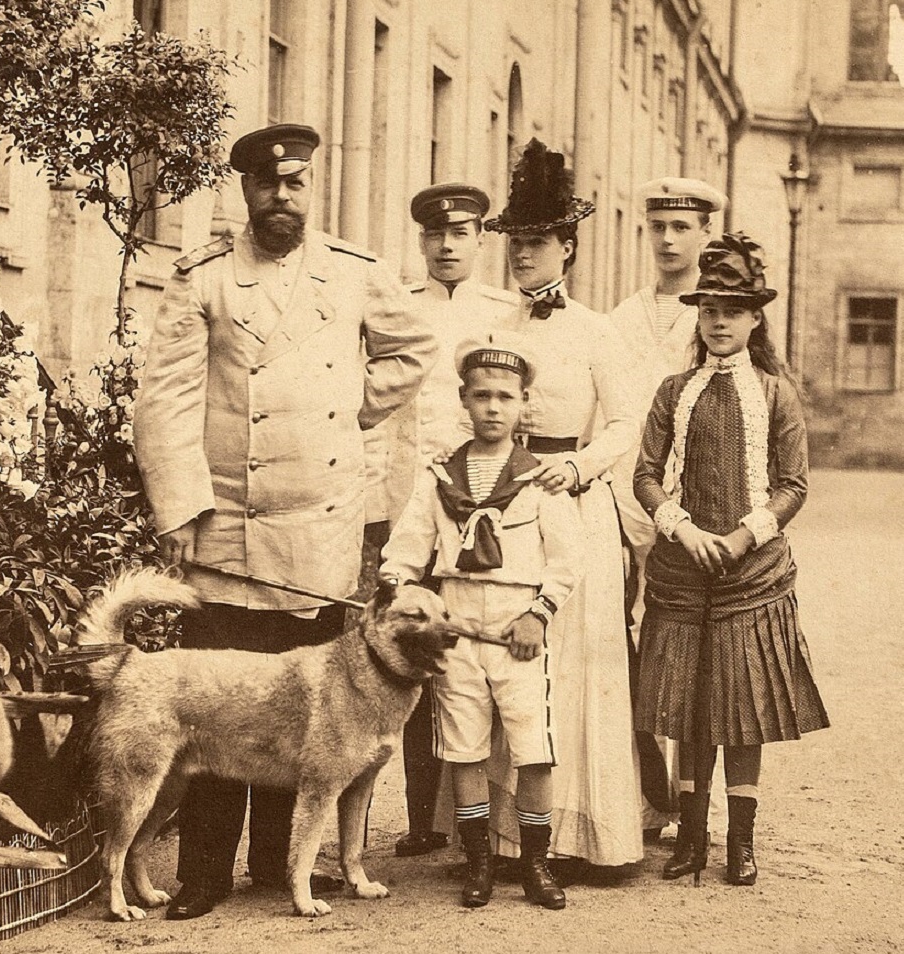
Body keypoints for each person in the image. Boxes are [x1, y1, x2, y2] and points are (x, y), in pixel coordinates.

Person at [131, 122, 436, 920]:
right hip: (227, 528)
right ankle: (204, 873)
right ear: (245, 190)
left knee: (304, 709)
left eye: (295, 184)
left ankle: (276, 863)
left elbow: (413, 348)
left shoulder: (354, 273)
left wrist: (348, 409)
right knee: (220, 702)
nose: (281, 198)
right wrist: (180, 507)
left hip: (318, 527)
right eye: (267, 185)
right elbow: (164, 400)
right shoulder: (204, 278)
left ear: (311, 188)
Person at [632, 232, 830, 885]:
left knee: (743, 709)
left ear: (755, 319)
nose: (719, 321)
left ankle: (740, 842)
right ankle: (692, 836)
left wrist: (744, 537)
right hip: (683, 569)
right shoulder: (673, 390)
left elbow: (794, 484)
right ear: (698, 315)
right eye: (710, 309)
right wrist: (683, 530)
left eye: (733, 310)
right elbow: (646, 475)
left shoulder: (775, 393)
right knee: (690, 707)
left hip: (753, 573)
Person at [483, 138, 645, 871]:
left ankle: (579, 836)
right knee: (509, 658)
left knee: (573, 663)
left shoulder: (595, 330)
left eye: (538, 242)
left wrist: (577, 466)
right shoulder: (496, 328)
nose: (523, 254)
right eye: (516, 242)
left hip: (574, 503)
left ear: (567, 249)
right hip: (506, 499)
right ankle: (506, 838)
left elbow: (626, 423)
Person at [380, 332, 584, 909]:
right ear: (463, 401)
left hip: (518, 626)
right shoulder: (439, 477)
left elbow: (568, 560)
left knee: (533, 748)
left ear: (524, 404)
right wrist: (400, 588)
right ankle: (479, 864)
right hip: (456, 625)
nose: (493, 408)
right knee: (463, 747)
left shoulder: (539, 478)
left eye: (505, 397)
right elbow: (406, 551)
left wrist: (539, 614)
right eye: (481, 396)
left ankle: (536, 863)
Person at [383, 183, 520, 859]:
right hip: (412, 505)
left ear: (480, 239)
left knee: (483, 663)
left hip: (484, 511)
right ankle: (422, 819)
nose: (446, 246)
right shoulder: (398, 306)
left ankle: (486, 823)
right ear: (421, 241)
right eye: (435, 235)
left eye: (460, 233)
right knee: (413, 652)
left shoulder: (505, 312)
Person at [609, 177, 727, 848]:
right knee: (629, 650)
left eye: (682, 227)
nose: (668, 239)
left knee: (692, 653)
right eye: (658, 226)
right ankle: (643, 796)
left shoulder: (714, 317)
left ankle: (692, 807)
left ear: (706, 234)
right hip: (627, 505)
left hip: (694, 512)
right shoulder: (623, 317)